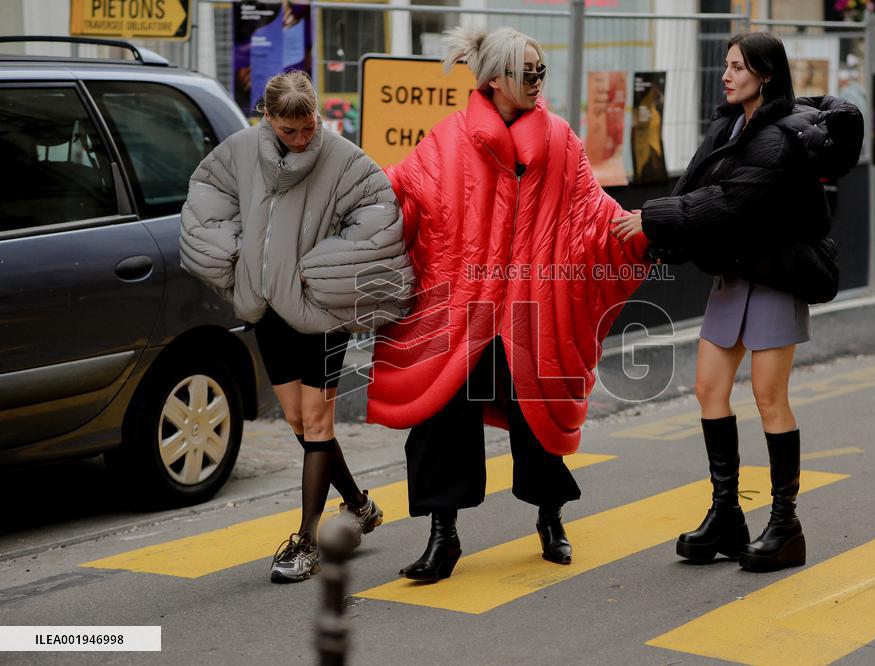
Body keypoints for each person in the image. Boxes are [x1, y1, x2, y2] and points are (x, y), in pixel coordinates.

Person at [366, 27, 649, 582]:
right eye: (527, 72)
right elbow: (399, 194)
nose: (537, 80)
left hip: (535, 310)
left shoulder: (562, 141)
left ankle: (550, 516)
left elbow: (593, 214)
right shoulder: (447, 140)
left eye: (541, 70)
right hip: (459, 308)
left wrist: (643, 230)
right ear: (494, 79)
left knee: (537, 416)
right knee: (442, 420)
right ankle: (442, 535)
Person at [612, 32, 862, 572]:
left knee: (769, 398)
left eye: (738, 67)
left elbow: (730, 200)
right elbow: (693, 186)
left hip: (774, 275)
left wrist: (652, 217)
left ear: (766, 74)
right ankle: (726, 513)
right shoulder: (728, 125)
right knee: (709, 389)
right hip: (735, 272)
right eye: (725, 65)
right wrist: (659, 231)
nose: (726, 76)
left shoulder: (778, 138)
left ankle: (785, 525)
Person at [180, 71, 413, 583]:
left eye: (309, 127)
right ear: (268, 118)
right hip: (268, 309)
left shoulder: (344, 159)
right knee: (299, 423)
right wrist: (235, 254)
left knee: (317, 422)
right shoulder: (240, 152)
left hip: (322, 310)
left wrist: (324, 269)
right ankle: (359, 505)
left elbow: (379, 214)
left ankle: (306, 541)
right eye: (290, 131)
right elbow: (207, 195)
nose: (303, 138)